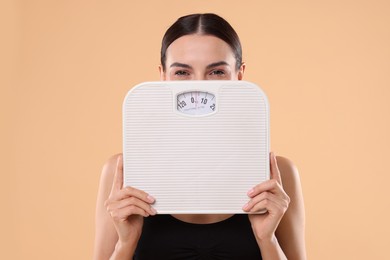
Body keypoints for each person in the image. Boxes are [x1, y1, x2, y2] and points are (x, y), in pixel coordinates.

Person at [93, 13, 306, 260]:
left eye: (216, 72)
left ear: (239, 75)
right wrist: (125, 244)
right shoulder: (121, 174)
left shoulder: (278, 175)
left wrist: (266, 240)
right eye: (182, 73)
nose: (200, 86)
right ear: (163, 76)